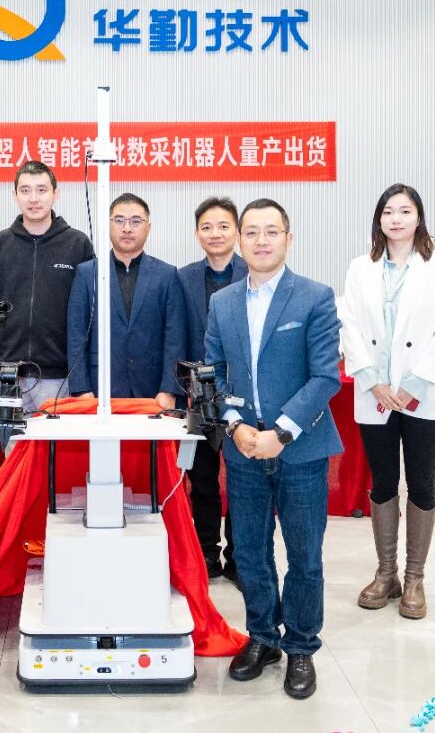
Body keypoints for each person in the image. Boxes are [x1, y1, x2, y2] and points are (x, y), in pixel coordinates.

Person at [204, 198, 342, 700]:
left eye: (271, 231)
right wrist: (236, 425)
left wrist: (279, 434)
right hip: (243, 448)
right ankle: (262, 637)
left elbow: (325, 377)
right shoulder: (222, 303)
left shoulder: (315, 297)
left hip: (299, 450)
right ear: (240, 240)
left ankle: (301, 645)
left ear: (288, 238)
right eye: (252, 232)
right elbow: (213, 373)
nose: (261, 241)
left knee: (304, 554)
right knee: (251, 552)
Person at [339, 183, 435, 620]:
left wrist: (413, 383)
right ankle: (386, 572)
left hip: (421, 395)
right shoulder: (361, 268)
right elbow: (349, 325)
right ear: (379, 219)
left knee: (422, 482)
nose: (396, 218)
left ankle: (414, 578)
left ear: (418, 217)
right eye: (388, 211)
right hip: (375, 394)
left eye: (405, 211)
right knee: (383, 481)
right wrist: (372, 381)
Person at [0, 161, 94, 425]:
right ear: (14, 195)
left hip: (59, 377)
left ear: (56, 193)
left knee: (55, 449)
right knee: (13, 447)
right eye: (25, 190)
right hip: (7, 374)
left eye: (41, 190)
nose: (33, 199)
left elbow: (90, 313)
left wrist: (83, 375)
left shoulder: (78, 245)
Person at [177, 197, 247, 582]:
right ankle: (207, 552)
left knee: (242, 479)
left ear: (236, 232)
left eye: (223, 226)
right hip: (198, 397)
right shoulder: (183, 278)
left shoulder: (253, 273)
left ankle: (239, 556)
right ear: (197, 233)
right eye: (207, 227)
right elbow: (175, 335)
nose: (215, 233)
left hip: (242, 396)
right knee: (202, 479)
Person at [66, 193, 184, 406]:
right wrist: (81, 389)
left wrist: (169, 389)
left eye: (135, 221)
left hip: (152, 392)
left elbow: (174, 338)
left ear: (148, 227)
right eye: (119, 220)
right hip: (99, 390)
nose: (127, 228)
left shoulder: (166, 275)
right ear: (108, 225)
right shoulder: (87, 273)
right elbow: (76, 334)